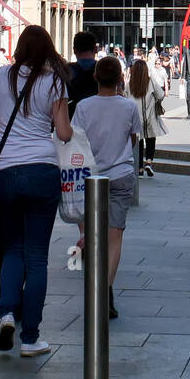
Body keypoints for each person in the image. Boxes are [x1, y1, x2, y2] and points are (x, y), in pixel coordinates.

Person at [0, 25, 72, 357]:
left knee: (12, 249)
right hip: (42, 170)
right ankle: (30, 338)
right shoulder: (53, 81)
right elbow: (62, 132)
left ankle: (7, 314)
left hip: (4, 173)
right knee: (38, 257)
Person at [71, 55, 141, 320]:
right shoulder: (128, 106)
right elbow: (133, 139)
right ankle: (106, 289)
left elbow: (76, 140)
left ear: (95, 77)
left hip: (91, 176)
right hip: (121, 174)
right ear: (120, 79)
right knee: (114, 237)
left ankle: (96, 282)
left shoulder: (84, 106)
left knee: (93, 235)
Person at [129, 57, 167, 177]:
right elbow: (160, 95)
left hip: (136, 118)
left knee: (138, 142)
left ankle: (139, 167)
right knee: (151, 139)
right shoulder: (150, 82)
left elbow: (125, 99)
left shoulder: (129, 84)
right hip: (150, 117)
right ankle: (149, 162)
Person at [66, 30, 100, 116]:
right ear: (95, 49)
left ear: (74, 50)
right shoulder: (104, 70)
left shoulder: (65, 72)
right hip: (99, 120)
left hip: (72, 121)